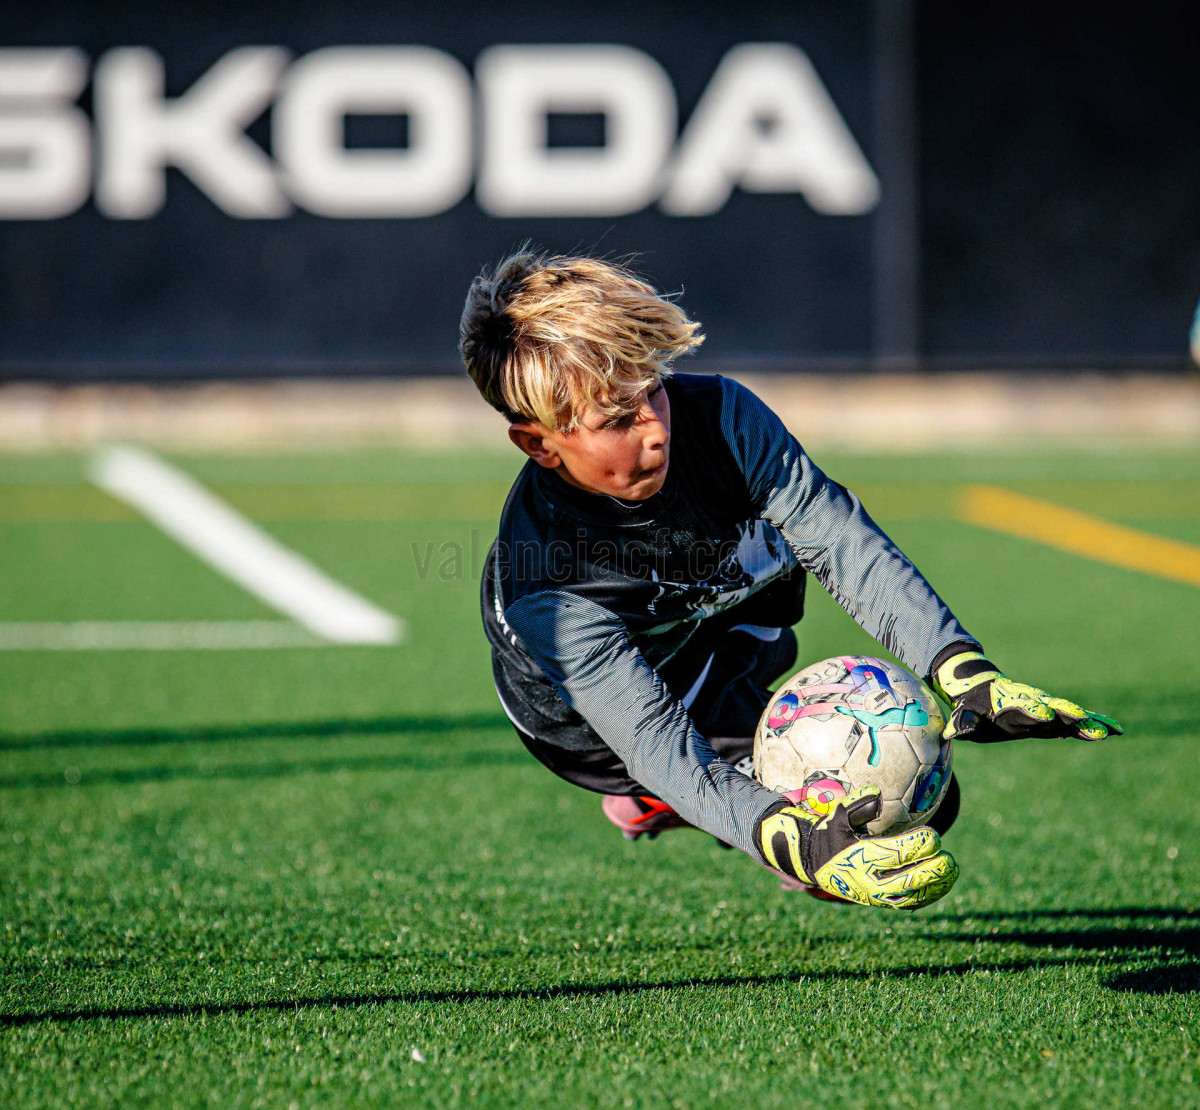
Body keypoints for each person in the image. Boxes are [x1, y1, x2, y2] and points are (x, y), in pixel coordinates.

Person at [459, 249, 1121, 910]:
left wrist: (964, 671)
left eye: (653, 390)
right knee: (855, 827)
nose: (657, 428)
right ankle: (655, 798)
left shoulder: (723, 419)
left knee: (928, 803)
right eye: (617, 420)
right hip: (590, 725)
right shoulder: (547, 590)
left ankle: (730, 759)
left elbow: (841, 542)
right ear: (539, 444)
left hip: (712, 620)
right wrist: (799, 845)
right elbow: (655, 742)